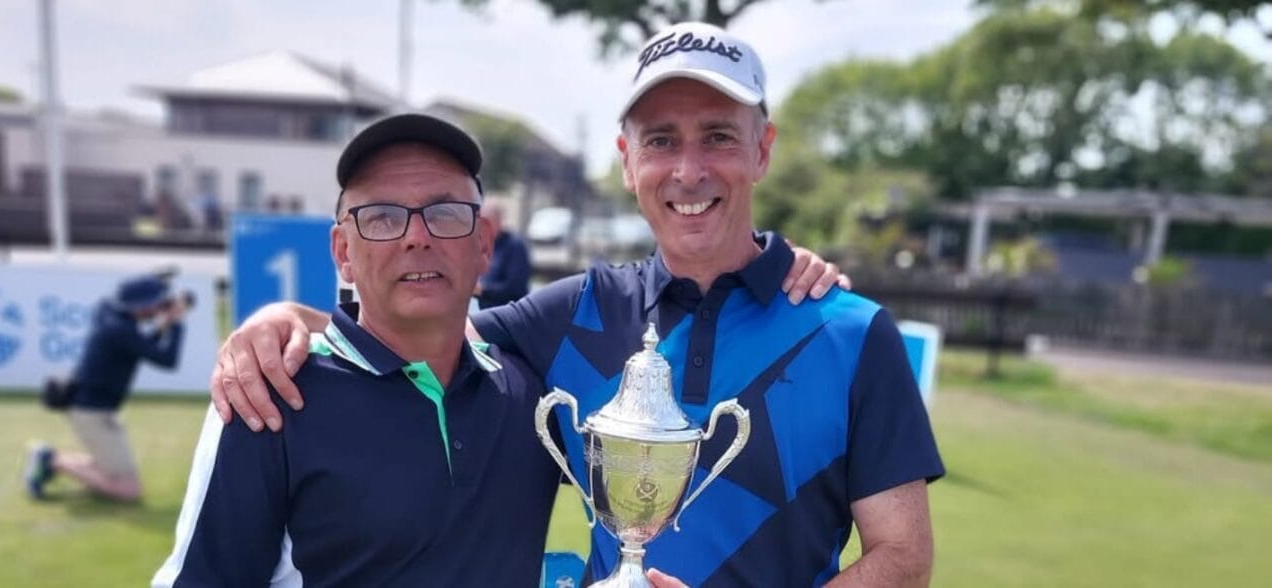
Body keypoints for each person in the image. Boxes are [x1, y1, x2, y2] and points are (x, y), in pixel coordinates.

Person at [213, 23, 935, 587]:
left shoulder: (851, 331)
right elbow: (413, 327)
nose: (687, 170)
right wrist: (280, 321)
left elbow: (902, 558)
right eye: (660, 141)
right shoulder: (571, 313)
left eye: (717, 136)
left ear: (762, 149)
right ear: (626, 159)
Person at [152, 113, 563, 586]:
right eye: (382, 218)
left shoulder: (530, 394)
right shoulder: (269, 396)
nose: (416, 236)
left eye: (445, 214)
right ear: (343, 252)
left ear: (484, 245)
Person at [23, 273, 188, 502]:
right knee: (129, 491)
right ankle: (51, 461)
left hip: (93, 408)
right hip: (91, 413)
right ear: (139, 305)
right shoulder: (120, 330)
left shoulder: (111, 314)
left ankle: (49, 457)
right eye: (155, 302)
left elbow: (141, 345)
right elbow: (167, 360)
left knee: (108, 469)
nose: (158, 307)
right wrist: (176, 323)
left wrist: (162, 321)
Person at [475, 199, 532, 308]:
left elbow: (515, 288)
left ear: (499, 221)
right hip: (485, 312)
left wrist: (484, 290)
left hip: (509, 315)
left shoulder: (515, 246)